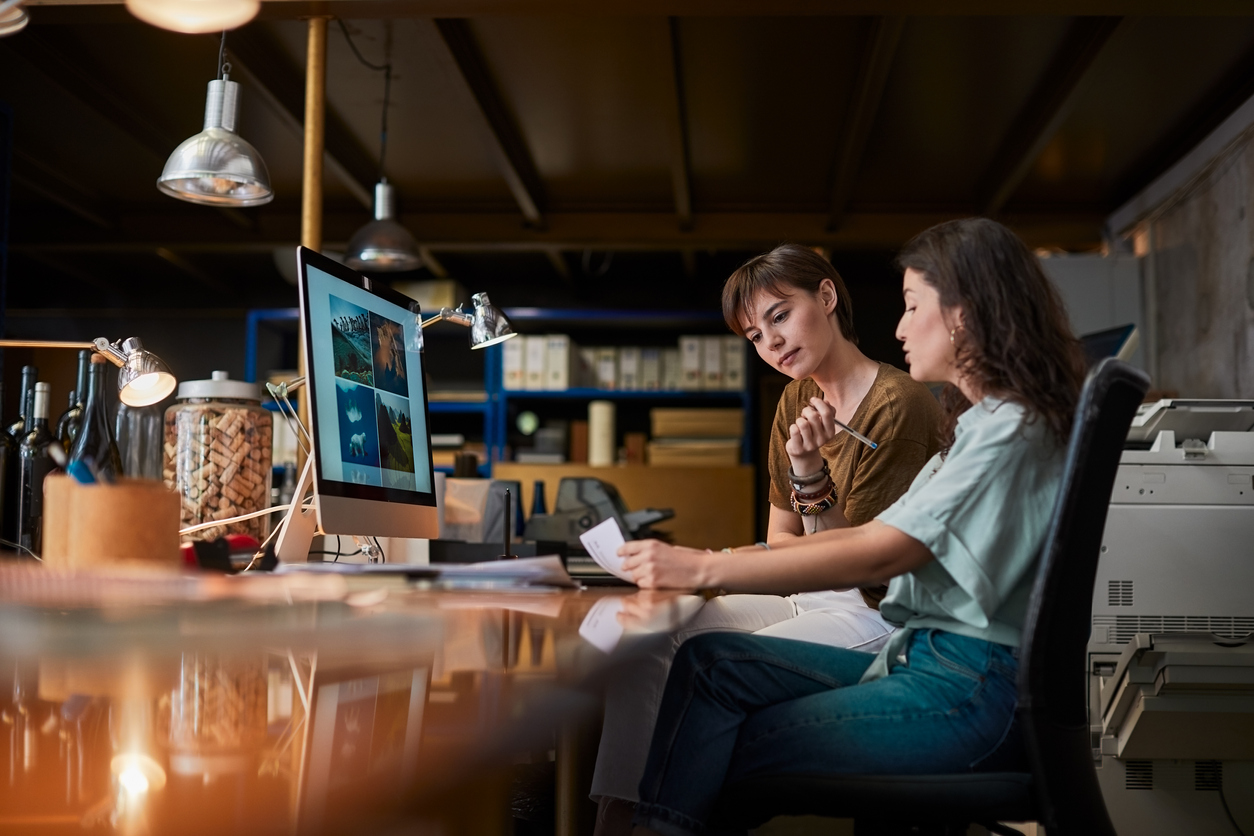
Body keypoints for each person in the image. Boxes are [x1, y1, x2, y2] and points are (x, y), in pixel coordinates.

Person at [617, 218, 1087, 836]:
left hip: (967, 686)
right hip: (926, 660)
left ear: (965, 314)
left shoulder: (1006, 431)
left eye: (912, 305)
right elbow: (856, 539)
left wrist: (703, 566)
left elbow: (876, 554)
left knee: (717, 743)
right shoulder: (980, 426)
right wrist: (805, 478)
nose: (898, 327)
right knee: (708, 664)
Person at [590, 244, 944, 834]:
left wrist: (805, 483)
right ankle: (616, 816)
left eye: (780, 316)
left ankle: (660, 819)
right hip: (808, 593)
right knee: (648, 639)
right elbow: (780, 537)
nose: (771, 343)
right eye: (755, 335)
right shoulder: (797, 399)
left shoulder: (898, 405)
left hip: (876, 612)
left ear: (826, 297)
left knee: (701, 664)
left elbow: (862, 568)